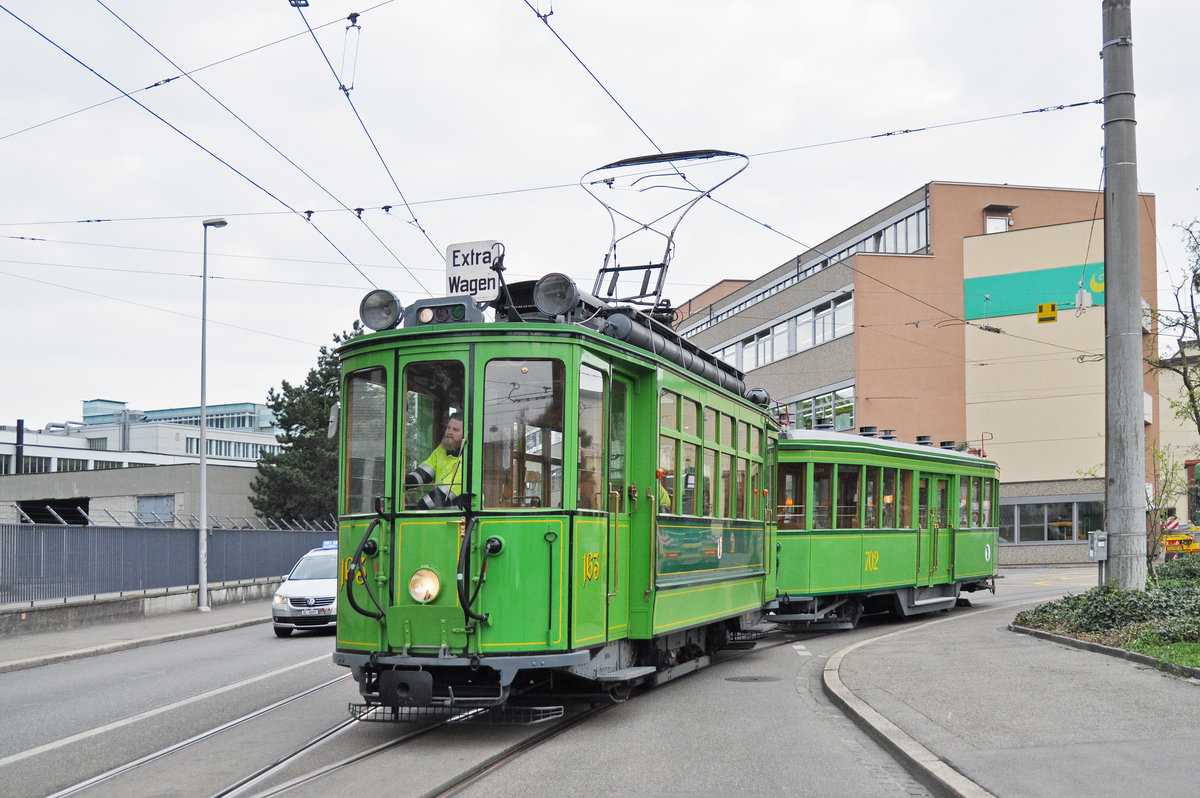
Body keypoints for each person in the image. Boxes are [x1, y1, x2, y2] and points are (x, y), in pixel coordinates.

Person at [406, 413, 464, 510]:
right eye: (448, 428)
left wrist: (416, 509)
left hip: (463, 517)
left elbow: (442, 494)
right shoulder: (442, 449)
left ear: (465, 434)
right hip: (444, 516)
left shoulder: (469, 459)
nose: (449, 432)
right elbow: (424, 473)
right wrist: (403, 483)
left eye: (455, 430)